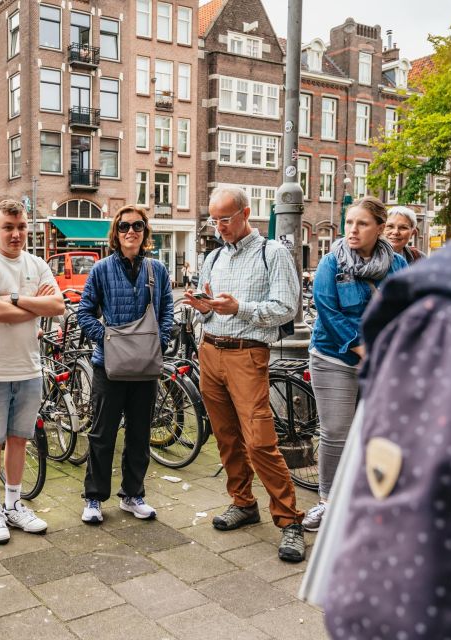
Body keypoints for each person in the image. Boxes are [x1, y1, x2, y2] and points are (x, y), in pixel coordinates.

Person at [319, 3, 451, 635]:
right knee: (334, 439)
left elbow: (383, 598)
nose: (361, 231)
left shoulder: (444, 315)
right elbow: (328, 304)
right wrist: (356, 346)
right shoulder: (362, 273)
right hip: (338, 360)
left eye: (370, 224)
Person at [182, 186, 305, 562]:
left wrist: (240, 309)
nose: (219, 227)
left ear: (246, 213)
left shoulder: (274, 253)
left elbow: (287, 306)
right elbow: (209, 311)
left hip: (248, 355)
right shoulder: (214, 257)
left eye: (225, 219)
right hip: (211, 351)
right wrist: (202, 307)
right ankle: (243, 502)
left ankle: (290, 521)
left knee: (259, 441)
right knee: (226, 436)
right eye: (214, 219)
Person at [301, 196, 406, 533]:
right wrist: (364, 349)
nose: (353, 230)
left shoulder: (397, 266)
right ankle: (327, 501)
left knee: (372, 433)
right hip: (334, 357)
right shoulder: (332, 264)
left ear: (379, 228)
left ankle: (363, 498)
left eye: (362, 223)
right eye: (349, 223)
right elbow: (328, 313)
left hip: (380, 360)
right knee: (335, 432)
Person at [0, 199, 64, 544]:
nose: (16, 234)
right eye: (8, 227)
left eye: (21, 227)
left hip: (28, 368)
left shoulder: (37, 263)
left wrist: (16, 299)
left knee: (20, 439)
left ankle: (13, 504)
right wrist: (30, 300)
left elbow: (58, 306)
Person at [76, 205, 173, 524]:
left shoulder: (157, 270)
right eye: (124, 226)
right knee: (102, 433)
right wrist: (105, 337)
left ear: (146, 232)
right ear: (115, 233)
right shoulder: (101, 269)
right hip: (109, 366)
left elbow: (167, 309)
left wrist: (163, 339)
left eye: (138, 226)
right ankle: (94, 498)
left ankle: (133, 494)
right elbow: (85, 312)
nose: (131, 231)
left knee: (140, 433)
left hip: (145, 367)